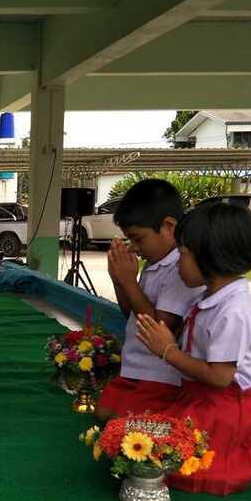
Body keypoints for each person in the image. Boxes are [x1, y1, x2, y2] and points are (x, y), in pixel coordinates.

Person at [136, 201, 251, 496]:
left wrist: (168, 351)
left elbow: (220, 377)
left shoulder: (234, 310)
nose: (177, 263)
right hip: (199, 398)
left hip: (224, 410)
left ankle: (238, 463)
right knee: (139, 439)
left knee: (167, 464)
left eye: (182, 253)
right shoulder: (210, 299)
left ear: (210, 256)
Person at [95, 179, 204, 423]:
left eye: (138, 239)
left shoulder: (181, 269)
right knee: (103, 412)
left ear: (169, 227)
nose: (134, 248)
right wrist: (119, 280)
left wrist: (129, 282)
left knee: (119, 423)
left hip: (161, 375)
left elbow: (158, 328)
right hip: (134, 368)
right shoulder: (153, 263)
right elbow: (131, 314)